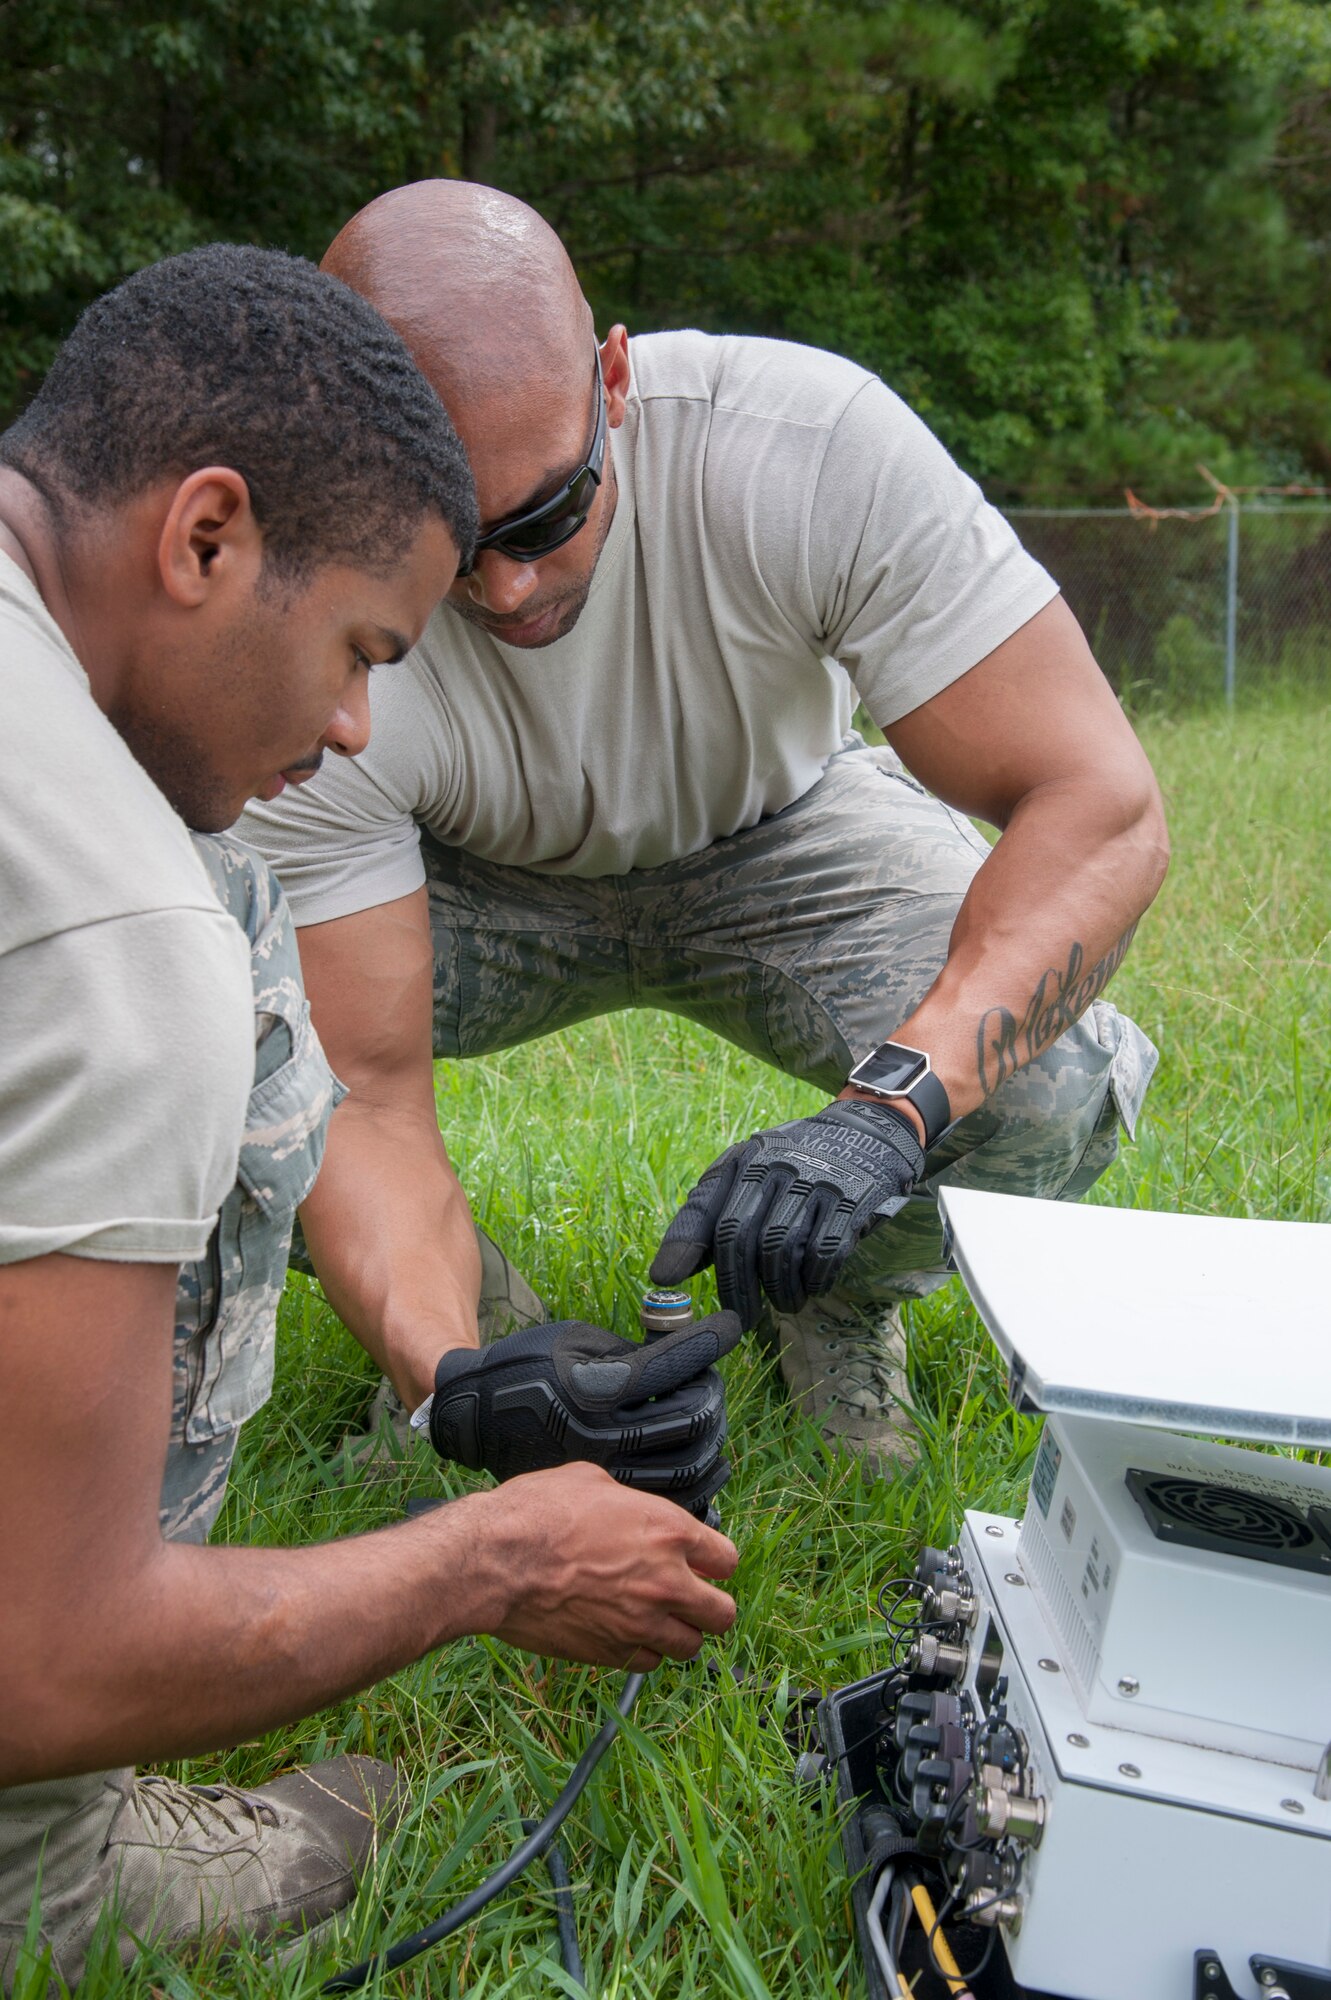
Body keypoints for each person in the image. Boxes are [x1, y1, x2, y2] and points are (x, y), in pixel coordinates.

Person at [0, 244, 739, 1993]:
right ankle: (44, 1863)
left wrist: (460, 1375)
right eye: (359, 649)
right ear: (204, 539)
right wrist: (492, 1556)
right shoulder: (114, 933)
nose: (350, 728)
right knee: (236, 962)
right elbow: (34, 1652)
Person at [238, 179, 1169, 1478]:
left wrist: (886, 1118)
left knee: (1048, 1087)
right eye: (447, 542)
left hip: (778, 838)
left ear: (612, 379)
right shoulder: (293, 612)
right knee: (209, 1054)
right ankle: (497, 1333)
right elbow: (368, 1098)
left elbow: (1104, 808)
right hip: (454, 884)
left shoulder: (804, 446)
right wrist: (462, 1381)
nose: (506, 587)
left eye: (549, 514)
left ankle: (832, 1295)